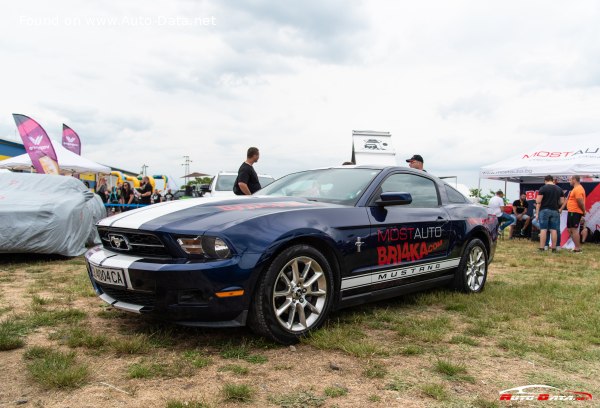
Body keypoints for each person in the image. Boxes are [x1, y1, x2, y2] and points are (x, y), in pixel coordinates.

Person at [535, 175, 565, 252]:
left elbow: (538, 201)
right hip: (555, 210)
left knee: (544, 229)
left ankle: (542, 248)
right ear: (552, 180)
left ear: (545, 180)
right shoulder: (559, 189)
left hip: (544, 210)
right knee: (554, 230)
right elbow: (562, 202)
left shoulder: (543, 188)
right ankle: (554, 248)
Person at [566, 175, 586, 252]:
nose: (569, 181)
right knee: (569, 229)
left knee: (573, 230)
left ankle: (577, 248)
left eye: (570, 180)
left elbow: (580, 201)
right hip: (572, 211)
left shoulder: (578, 189)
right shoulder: (576, 188)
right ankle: (576, 246)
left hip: (575, 211)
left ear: (574, 180)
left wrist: (584, 211)